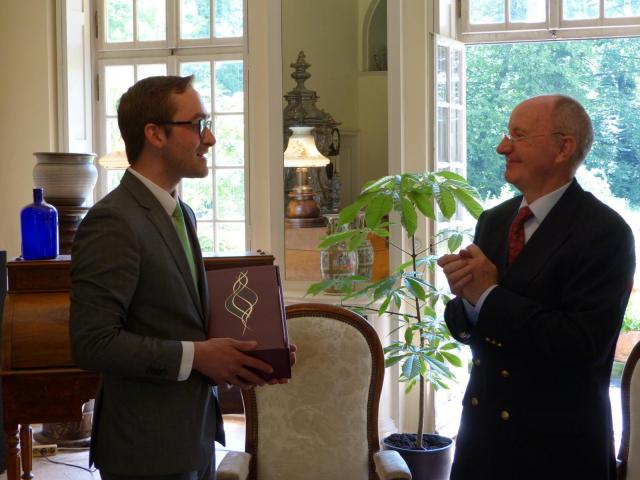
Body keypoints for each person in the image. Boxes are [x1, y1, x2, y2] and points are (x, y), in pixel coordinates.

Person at [70, 75, 294, 480]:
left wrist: (256, 355)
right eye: (197, 124)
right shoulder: (113, 221)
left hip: (194, 437)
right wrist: (199, 356)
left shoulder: (181, 213)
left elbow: (182, 322)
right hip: (144, 450)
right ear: (155, 134)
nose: (210, 139)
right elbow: (92, 343)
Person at [438, 94, 635, 480]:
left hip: (557, 453)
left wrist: (488, 296)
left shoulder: (605, 233)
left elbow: (582, 345)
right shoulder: (494, 220)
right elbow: (473, 326)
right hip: (481, 443)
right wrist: (468, 298)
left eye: (519, 136)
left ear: (564, 148)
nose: (502, 147)